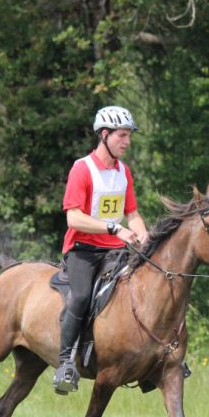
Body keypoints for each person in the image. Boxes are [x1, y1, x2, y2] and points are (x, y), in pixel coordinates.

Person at [53, 105, 149, 394]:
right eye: (122, 135)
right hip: (83, 250)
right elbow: (73, 217)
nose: (127, 141)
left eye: (129, 136)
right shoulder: (83, 168)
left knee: (148, 289)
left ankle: (156, 360)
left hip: (115, 251)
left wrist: (143, 236)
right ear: (104, 135)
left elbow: (132, 213)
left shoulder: (124, 172)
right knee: (81, 297)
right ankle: (65, 362)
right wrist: (113, 228)